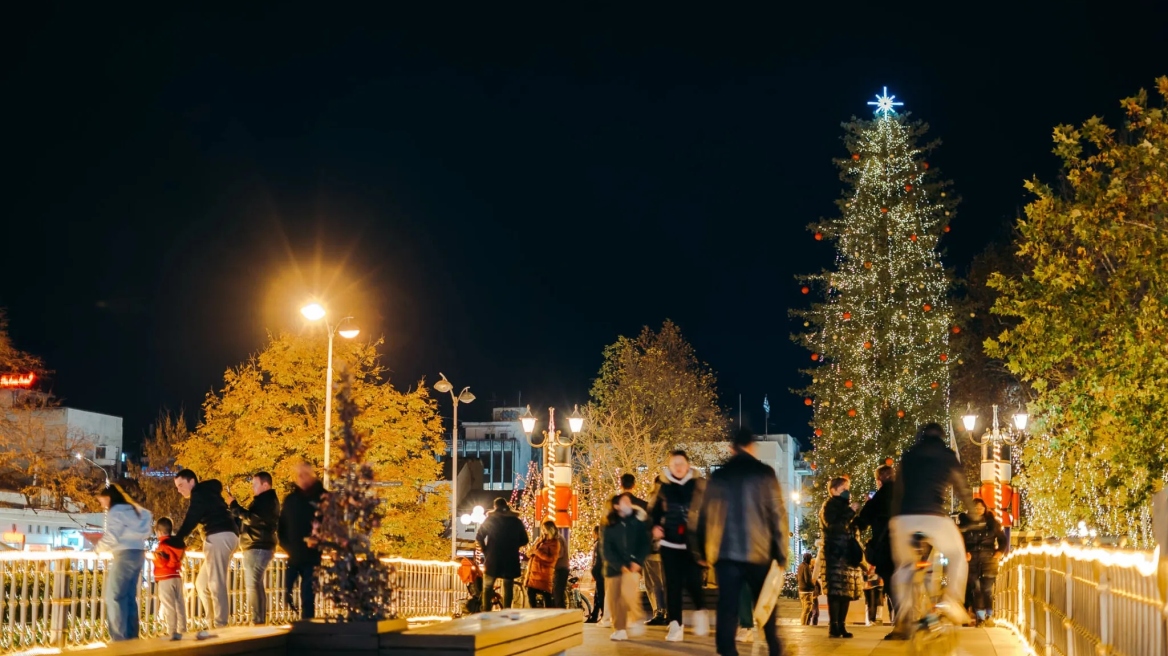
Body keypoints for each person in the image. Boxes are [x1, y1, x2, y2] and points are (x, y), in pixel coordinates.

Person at [691, 428, 787, 656]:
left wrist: (702, 551)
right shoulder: (765, 473)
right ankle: (774, 646)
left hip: (726, 552)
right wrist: (781, 552)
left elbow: (702, 515)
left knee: (727, 606)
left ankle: (727, 649)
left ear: (731, 448)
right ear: (752, 446)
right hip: (760, 550)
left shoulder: (720, 475)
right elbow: (777, 514)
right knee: (765, 603)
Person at [889, 423, 975, 638]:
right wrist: (974, 515)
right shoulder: (947, 456)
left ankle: (903, 617)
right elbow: (962, 487)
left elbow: (898, 490)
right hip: (933, 516)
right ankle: (952, 601)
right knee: (957, 556)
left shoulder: (908, 456)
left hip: (903, 518)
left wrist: (894, 520)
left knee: (904, 566)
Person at [648, 449, 709, 642]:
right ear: (670, 467)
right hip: (669, 545)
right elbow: (653, 512)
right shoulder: (663, 486)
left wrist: (707, 547)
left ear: (688, 465)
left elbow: (708, 516)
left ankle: (700, 611)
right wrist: (655, 527)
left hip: (692, 546)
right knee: (672, 587)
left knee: (693, 583)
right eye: (674, 464)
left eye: (681, 464)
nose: (679, 468)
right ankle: (675, 625)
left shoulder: (699, 486)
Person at [173, 469, 238, 639]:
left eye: (181, 485)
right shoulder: (208, 493)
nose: (179, 490)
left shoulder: (199, 494)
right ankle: (212, 623)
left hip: (219, 535)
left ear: (192, 481)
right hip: (227, 535)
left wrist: (178, 539)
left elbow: (191, 518)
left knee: (216, 582)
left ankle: (221, 626)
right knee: (202, 584)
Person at [95, 484, 153, 642]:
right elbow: (148, 522)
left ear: (108, 498)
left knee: (114, 596)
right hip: (138, 553)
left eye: (102, 501)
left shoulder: (116, 511)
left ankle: (119, 638)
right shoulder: (136, 511)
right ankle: (132, 635)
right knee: (128, 596)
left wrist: (98, 549)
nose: (102, 505)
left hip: (124, 553)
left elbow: (112, 536)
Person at [227, 471, 280, 625]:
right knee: (257, 584)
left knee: (252, 585)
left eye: (255, 485)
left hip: (257, 546)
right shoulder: (268, 501)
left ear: (265, 485)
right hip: (260, 545)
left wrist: (234, 506)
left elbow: (252, 518)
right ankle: (260, 618)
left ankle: (257, 620)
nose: (253, 488)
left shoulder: (266, 501)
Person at [278, 462, 325, 619]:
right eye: (299, 475)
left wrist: (320, 539)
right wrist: (288, 546)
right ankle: (296, 619)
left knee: (308, 595)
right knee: (286, 590)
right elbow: (282, 526)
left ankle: (307, 625)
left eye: (305, 474)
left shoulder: (322, 498)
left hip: (312, 556)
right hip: (294, 554)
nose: (301, 478)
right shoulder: (291, 500)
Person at [819, 476, 863, 638]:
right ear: (833, 490)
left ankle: (842, 625)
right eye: (843, 489)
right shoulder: (829, 506)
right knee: (836, 593)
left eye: (847, 488)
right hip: (835, 555)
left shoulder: (845, 507)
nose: (847, 492)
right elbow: (835, 527)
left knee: (846, 593)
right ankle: (834, 626)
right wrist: (851, 512)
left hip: (848, 556)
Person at [602, 493, 650, 641]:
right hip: (613, 568)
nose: (628, 504)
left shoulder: (637, 521)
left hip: (632, 566)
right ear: (616, 506)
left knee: (628, 594)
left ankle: (637, 618)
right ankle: (619, 629)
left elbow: (644, 543)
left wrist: (637, 561)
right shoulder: (609, 524)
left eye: (629, 501)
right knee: (615, 600)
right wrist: (619, 565)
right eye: (624, 501)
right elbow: (606, 549)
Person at [621, 473, 666, 626]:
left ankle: (659, 611)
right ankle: (667, 612)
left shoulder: (651, 503)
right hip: (668, 550)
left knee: (653, 582)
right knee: (665, 582)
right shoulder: (649, 503)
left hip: (650, 550)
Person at [856, 465, 896, 619]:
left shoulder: (877, 500)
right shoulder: (907, 495)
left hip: (886, 550)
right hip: (908, 547)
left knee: (892, 585)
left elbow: (861, 523)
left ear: (879, 481)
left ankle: (899, 620)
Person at [475, 497, 529, 611]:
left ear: (495, 507)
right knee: (508, 587)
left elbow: (479, 536)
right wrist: (514, 546)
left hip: (493, 559)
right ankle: (506, 611)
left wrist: (485, 550)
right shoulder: (516, 521)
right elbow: (525, 540)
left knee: (487, 587)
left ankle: (486, 611)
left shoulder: (490, 520)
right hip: (510, 559)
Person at [959, 498, 1006, 626]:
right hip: (972, 559)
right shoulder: (965, 524)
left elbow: (1003, 540)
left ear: (985, 509)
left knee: (987, 590)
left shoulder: (992, 524)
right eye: (976, 507)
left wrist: (1000, 551)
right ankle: (980, 617)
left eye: (981, 507)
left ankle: (989, 616)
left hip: (988, 560)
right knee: (976, 589)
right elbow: (959, 540)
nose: (978, 509)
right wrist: (964, 552)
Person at [154, 517, 186, 641]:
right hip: (177, 576)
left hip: (165, 577)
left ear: (159, 532)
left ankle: (172, 632)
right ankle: (182, 630)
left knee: (169, 606)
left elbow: (162, 562)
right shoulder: (178, 543)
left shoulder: (163, 545)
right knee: (180, 605)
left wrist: (154, 556)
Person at [525, 521, 561, 608]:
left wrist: (537, 552)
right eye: (542, 529)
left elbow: (552, 559)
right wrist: (530, 552)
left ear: (550, 530)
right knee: (531, 594)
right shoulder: (540, 540)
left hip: (543, 574)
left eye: (545, 529)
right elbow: (532, 552)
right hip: (533, 574)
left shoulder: (554, 543)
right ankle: (535, 614)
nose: (543, 531)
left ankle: (547, 615)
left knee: (546, 596)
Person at [585, 525, 605, 623]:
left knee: (600, 595)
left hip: (600, 573)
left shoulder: (598, 544)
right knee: (598, 595)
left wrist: (594, 571)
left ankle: (602, 614)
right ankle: (595, 614)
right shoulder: (601, 544)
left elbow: (597, 560)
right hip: (601, 573)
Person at [552, 524, 570, 608]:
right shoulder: (559, 538)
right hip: (562, 568)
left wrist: (550, 558)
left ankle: (561, 614)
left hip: (560, 569)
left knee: (558, 594)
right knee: (558, 594)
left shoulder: (558, 539)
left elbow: (559, 553)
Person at [797, 552, 816, 625]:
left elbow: (798, 577)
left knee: (804, 609)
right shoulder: (806, 567)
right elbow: (807, 579)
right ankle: (803, 625)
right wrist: (813, 586)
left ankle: (803, 624)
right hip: (807, 591)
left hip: (801, 590)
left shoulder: (800, 566)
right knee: (807, 609)